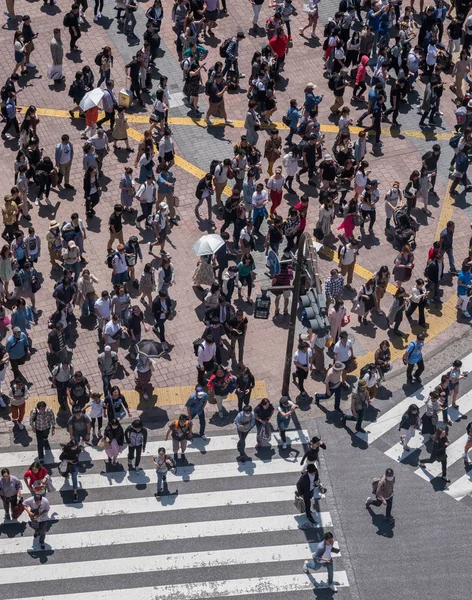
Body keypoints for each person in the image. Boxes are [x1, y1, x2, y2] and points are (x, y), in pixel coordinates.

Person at [296, 463, 320, 528]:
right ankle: (308, 515)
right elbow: (298, 484)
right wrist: (301, 494)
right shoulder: (304, 477)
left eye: (314, 472)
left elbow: (317, 477)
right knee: (308, 503)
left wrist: (316, 482)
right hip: (306, 492)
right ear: (308, 472)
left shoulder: (316, 471)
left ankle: (308, 510)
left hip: (312, 489)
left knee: (310, 497)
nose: (313, 474)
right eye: (312, 473)